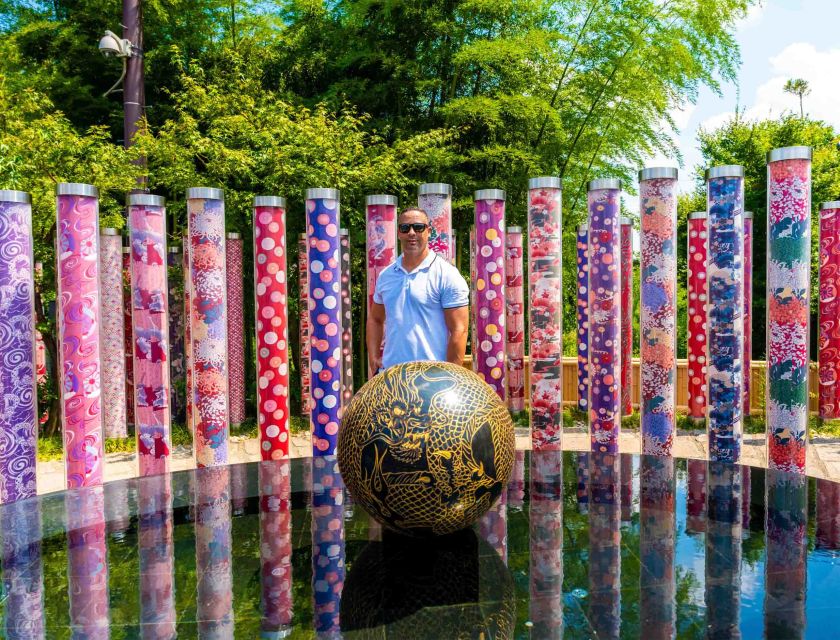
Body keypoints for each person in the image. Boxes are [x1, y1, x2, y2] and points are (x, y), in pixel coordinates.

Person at [367, 207, 469, 373]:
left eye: (418, 227)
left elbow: (459, 329)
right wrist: (373, 357)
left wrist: (451, 375)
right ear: (399, 233)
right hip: (392, 376)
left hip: (431, 377)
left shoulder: (447, 275)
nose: (411, 233)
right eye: (405, 228)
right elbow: (375, 319)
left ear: (428, 231)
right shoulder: (386, 276)